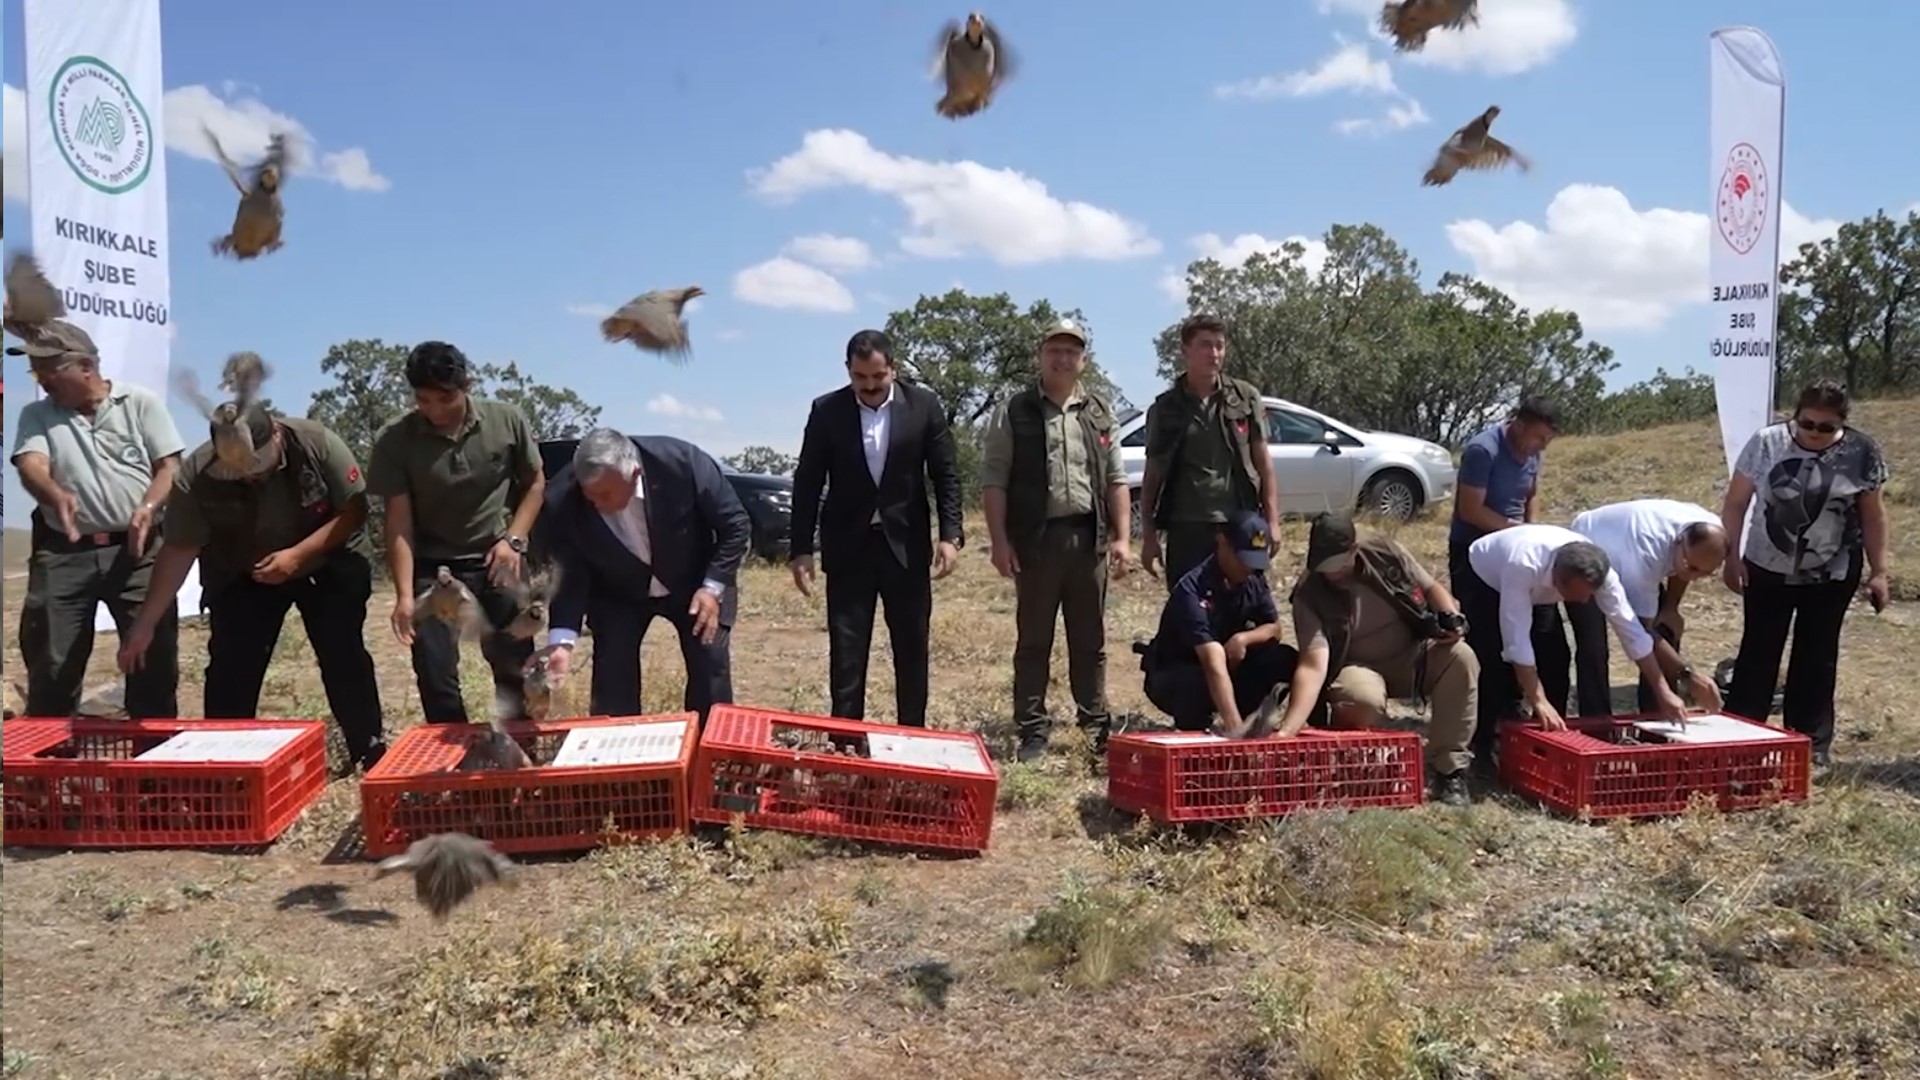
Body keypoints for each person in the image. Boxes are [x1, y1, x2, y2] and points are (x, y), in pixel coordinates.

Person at [115, 402, 389, 771]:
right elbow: (179, 549)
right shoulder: (194, 476)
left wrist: (297, 556)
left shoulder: (316, 443)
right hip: (242, 570)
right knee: (231, 668)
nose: (249, 476)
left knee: (343, 654)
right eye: (236, 470)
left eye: (256, 464)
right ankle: (226, 764)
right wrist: (146, 622)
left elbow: (354, 511)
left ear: (275, 434)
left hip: (324, 562)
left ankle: (367, 750)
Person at [8, 321, 184, 719]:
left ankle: (151, 771)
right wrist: (54, 493)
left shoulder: (139, 403)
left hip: (137, 553)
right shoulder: (37, 414)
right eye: (36, 370)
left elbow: (169, 467)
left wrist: (149, 508)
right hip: (64, 552)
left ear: (85, 366)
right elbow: (31, 463)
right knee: (52, 662)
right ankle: (51, 768)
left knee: (152, 659)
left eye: (49, 368)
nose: (41, 379)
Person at [789, 329, 965, 728]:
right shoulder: (826, 410)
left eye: (878, 377)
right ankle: (846, 742)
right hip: (848, 550)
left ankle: (912, 736)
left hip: (905, 548)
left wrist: (950, 534)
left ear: (893, 369)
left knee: (912, 648)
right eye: (859, 378)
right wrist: (801, 547)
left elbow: (946, 474)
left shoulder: (923, 406)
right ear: (848, 371)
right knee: (848, 653)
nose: (869, 386)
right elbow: (808, 480)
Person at [366, 342, 546, 724]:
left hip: (496, 557)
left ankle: (516, 749)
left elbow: (534, 483)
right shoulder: (395, 440)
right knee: (435, 670)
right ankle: (453, 761)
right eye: (423, 400)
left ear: (467, 384)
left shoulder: (507, 421)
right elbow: (397, 523)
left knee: (513, 661)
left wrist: (514, 540)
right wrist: (403, 596)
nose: (434, 410)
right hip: (434, 568)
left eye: (445, 398)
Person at [981, 318, 1133, 761]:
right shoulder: (1015, 410)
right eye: (1055, 350)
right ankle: (1032, 729)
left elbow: (1116, 480)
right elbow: (994, 480)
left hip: (1088, 541)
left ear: (1083, 359)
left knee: (1091, 640)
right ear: (1041, 355)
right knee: (1034, 640)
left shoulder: (1100, 412)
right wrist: (999, 542)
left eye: (1072, 351)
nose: (1063, 358)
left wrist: (1122, 538)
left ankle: (1094, 725)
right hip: (1036, 543)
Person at [1721, 378, 1891, 774]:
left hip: (1833, 572)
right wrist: (1731, 557)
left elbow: (1873, 515)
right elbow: (1735, 504)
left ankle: (1809, 745)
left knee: (1817, 656)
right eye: (1806, 424)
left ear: (1842, 424)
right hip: (1767, 567)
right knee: (1758, 653)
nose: (1814, 433)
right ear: (1794, 417)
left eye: (1825, 427)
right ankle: (1742, 734)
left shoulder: (1861, 451)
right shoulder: (1767, 443)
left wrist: (1880, 570)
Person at [539, 428, 752, 726]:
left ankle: (709, 754)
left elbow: (735, 526)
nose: (595, 504)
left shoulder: (683, 463)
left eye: (604, 494)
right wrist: (561, 642)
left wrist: (712, 587)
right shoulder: (562, 499)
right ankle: (620, 759)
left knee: (710, 665)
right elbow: (570, 574)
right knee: (612, 676)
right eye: (589, 496)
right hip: (617, 591)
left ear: (634, 473)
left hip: (695, 582)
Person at [1276, 512, 1480, 805]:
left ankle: (1450, 770)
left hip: (1411, 656)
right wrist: (1287, 731)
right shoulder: (1310, 594)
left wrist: (1451, 618)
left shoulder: (1385, 553)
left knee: (1462, 658)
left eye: (1337, 565)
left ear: (1354, 551)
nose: (1331, 573)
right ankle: (1359, 767)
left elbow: (1431, 587)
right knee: (1360, 698)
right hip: (1357, 668)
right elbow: (1312, 664)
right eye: (1323, 566)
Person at [1463, 524, 1690, 759]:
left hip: (1538, 587)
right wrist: (1538, 699)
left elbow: (1632, 632)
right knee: (1491, 662)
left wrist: (1663, 691)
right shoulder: (1523, 565)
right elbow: (1516, 640)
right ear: (1558, 580)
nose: (1584, 601)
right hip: (1485, 576)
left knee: (1556, 659)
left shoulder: (1603, 573)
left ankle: (1543, 745)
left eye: (1590, 594)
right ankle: (1482, 746)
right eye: (1579, 593)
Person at [1446, 396, 1583, 730]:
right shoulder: (1483, 451)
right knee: (1488, 641)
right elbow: (1470, 510)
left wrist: (1531, 530)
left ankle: (1543, 717)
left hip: (1522, 551)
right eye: (1537, 438)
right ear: (1518, 425)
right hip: (1477, 552)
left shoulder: (1533, 452)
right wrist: (1518, 532)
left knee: (1547, 637)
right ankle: (1485, 728)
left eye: (1547, 441)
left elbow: (1530, 493)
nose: (1540, 447)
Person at [1137, 313, 1280, 590]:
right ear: (1185, 350)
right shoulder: (1165, 409)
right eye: (1205, 345)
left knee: (1245, 604)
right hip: (1186, 527)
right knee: (1189, 609)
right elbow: (1152, 477)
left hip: (1239, 521)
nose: (1214, 354)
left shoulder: (1245, 398)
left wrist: (1272, 521)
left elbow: (1264, 465)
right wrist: (1149, 535)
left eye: (1219, 345)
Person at [1140, 509, 1299, 736]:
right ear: (1223, 543)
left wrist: (1243, 639)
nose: (1248, 568)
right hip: (1180, 672)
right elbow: (1212, 660)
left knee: (1283, 658)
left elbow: (1274, 628)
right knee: (1194, 684)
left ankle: (1253, 722)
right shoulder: (1192, 590)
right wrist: (1236, 734)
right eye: (1243, 559)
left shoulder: (1252, 578)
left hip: (1228, 667)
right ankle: (1202, 729)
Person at [1566, 499, 1730, 716]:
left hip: (1630, 545)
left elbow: (1684, 568)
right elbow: (1639, 633)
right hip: (1587, 544)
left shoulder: (1709, 532)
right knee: (1594, 646)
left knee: (1667, 626)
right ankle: (1596, 725)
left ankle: (1658, 717)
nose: (1695, 577)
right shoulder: (1647, 555)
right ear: (1678, 541)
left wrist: (1671, 607)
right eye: (1691, 568)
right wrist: (1688, 674)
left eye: (1705, 573)